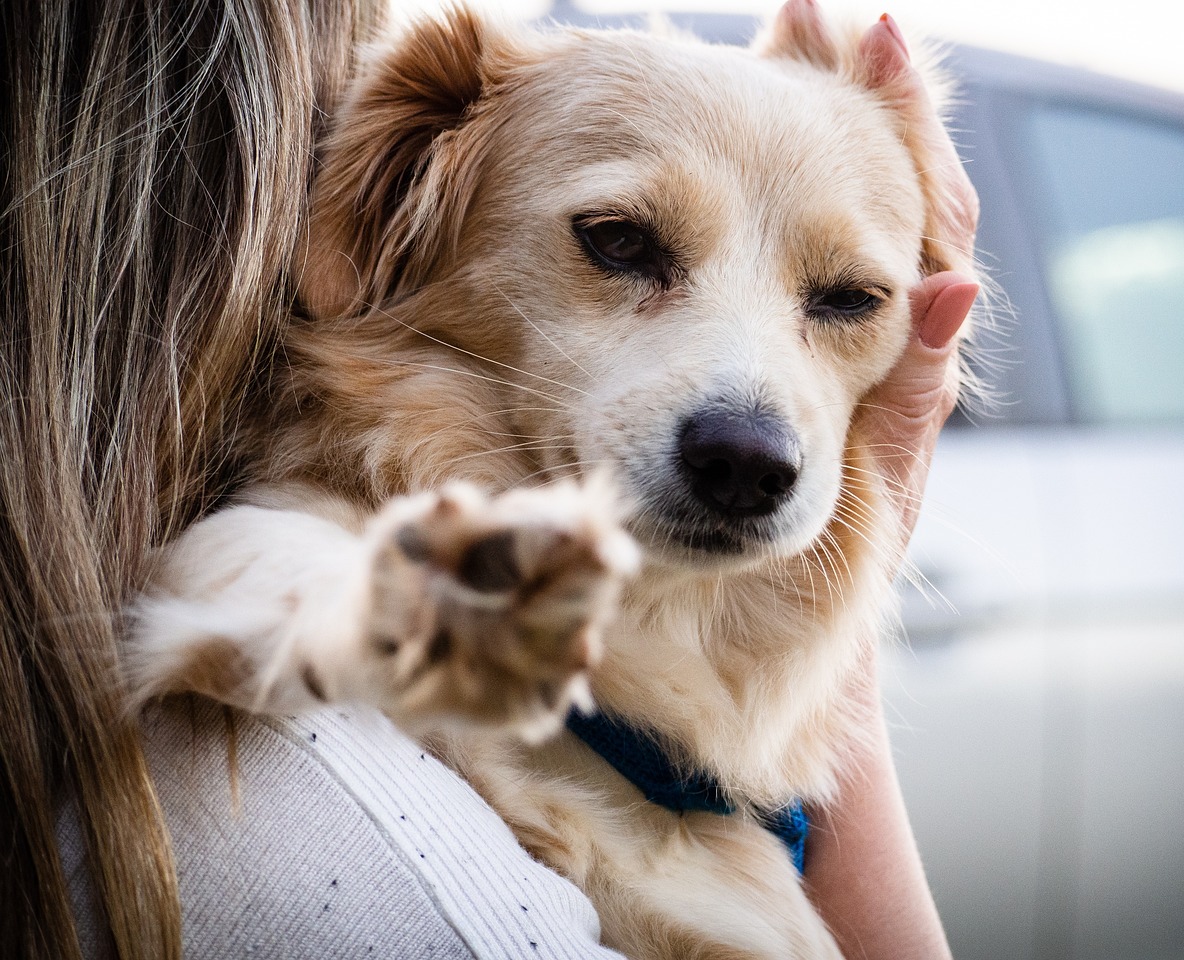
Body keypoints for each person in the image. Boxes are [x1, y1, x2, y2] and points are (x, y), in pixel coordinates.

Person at [0, 0, 979, 957]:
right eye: (621, 241)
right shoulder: (326, 806)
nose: (752, 428)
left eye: (846, 299)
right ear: (384, 197)